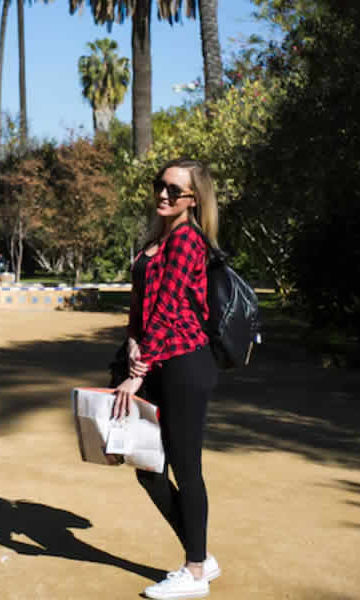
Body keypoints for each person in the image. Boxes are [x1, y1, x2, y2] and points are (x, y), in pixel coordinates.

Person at [113, 158, 220, 600]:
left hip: (184, 365)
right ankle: (201, 554)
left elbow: (171, 308)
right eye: (160, 185)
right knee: (147, 465)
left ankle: (195, 572)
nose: (163, 194)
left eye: (174, 190)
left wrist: (136, 374)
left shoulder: (187, 242)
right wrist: (133, 341)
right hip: (155, 360)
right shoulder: (156, 240)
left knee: (184, 467)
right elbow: (143, 307)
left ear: (194, 200)